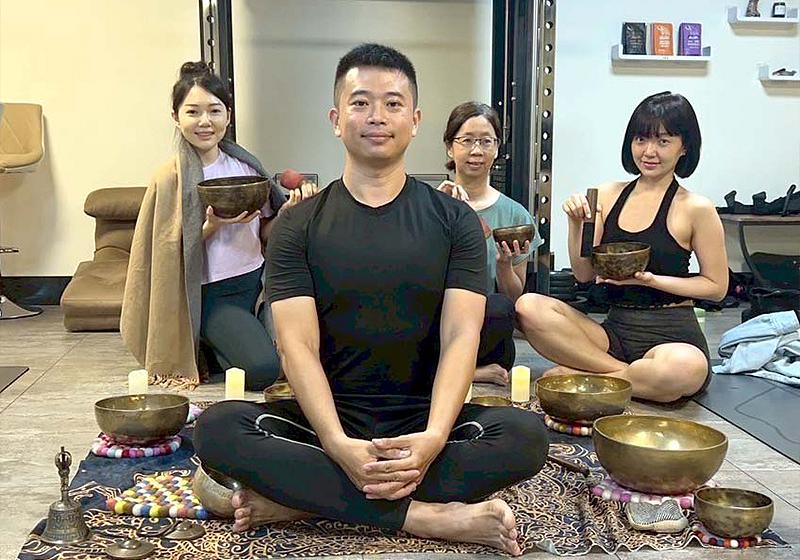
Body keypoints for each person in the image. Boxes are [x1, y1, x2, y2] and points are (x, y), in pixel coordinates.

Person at [194, 44, 548, 556]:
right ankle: (426, 517)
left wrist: (433, 438)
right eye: (360, 103)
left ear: (415, 121)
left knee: (524, 435)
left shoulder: (456, 223)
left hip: (424, 421)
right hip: (326, 422)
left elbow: (460, 337)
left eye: (393, 103)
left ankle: (306, 502)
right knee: (217, 429)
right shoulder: (297, 225)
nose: (377, 116)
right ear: (336, 120)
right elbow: (296, 347)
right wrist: (338, 444)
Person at [515, 92, 728, 403]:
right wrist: (575, 224)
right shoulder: (606, 195)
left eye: (663, 141)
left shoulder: (696, 207)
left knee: (683, 369)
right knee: (528, 307)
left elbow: (716, 287)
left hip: (672, 337)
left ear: (684, 147)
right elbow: (584, 274)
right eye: (641, 139)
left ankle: (591, 377)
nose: (649, 152)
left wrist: (652, 280)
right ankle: (621, 376)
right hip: (613, 334)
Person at [121, 62, 315, 390]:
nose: (205, 121)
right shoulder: (169, 178)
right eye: (193, 112)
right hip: (211, 295)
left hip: (259, 286)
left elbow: (265, 234)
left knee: (309, 354)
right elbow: (163, 258)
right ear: (176, 117)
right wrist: (210, 227)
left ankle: (226, 342)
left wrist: (288, 212)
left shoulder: (246, 167)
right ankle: (206, 345)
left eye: (214, 111)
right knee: (264, 371)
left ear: (228, 115)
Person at [437, 102, 542, 385]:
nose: (476, 151)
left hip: (485, 330)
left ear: (496, 148)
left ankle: (458, 370)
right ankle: (467, 373)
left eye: (486, 141)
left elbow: (514, 298)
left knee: (499, 306)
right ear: (450, 147)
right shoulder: (432, 205)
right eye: (467, 140)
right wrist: (439, 212)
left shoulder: (515, 215)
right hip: (439, 325)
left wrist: (504, 265)